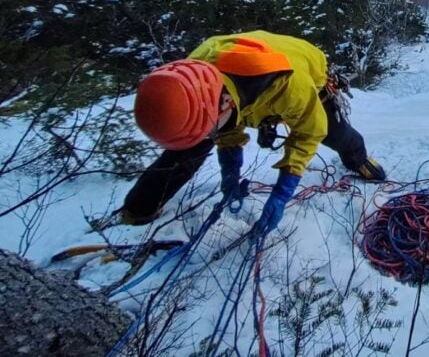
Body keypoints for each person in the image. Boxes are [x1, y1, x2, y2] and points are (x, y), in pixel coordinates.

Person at [118, 31, 386, 237]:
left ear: (224, 103)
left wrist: (283, 191)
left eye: (212, 125)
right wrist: (230, 170)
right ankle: (140, 208)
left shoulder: (290, 85)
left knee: (334, 133)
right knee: (192, 143)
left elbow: (308, 133)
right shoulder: (191, 82)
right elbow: (223, 122)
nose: (211, 132)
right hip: (240, 86)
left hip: (305, 72)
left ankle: (358, 159)